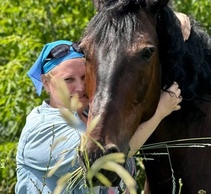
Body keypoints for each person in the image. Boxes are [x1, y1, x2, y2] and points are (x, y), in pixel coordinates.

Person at [15, 37, 182, 194]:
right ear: (46, 83)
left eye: (84, 77)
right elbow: (101, 162)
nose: (80, 87)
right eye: (69, 80)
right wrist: (160, 111)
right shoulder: (42, 130)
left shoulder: (95, 118)